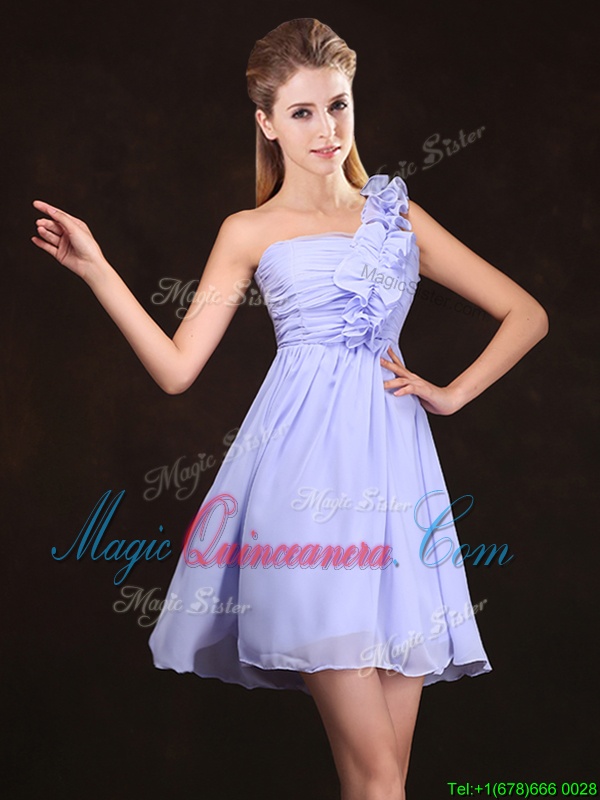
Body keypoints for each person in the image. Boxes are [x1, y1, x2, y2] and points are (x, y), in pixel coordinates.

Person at [31, 17, 548, 800]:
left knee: (382, 780)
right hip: (302, 495)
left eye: (337, 105)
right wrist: (99, 269)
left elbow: (526, 314)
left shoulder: (396, 215)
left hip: (398, 496)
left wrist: (450, 394)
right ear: (267, 123)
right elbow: (176, 369)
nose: (326, 129)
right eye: (302, 112)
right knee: (380, 778)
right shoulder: (249, 232)